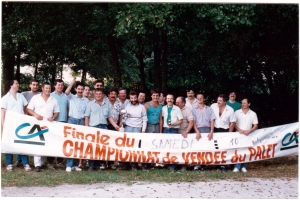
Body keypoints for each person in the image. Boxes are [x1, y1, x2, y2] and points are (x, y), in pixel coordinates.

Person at [26, 82, 60, 172]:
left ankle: (42, 163)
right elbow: (28, 109)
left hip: (48, 124)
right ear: (42, 88)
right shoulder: (35, 98)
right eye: (46, 88)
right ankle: (37, 164)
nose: (48, 90)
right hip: (37, 123)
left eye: (49, 88)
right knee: (38, 143)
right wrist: (35, 114)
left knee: (46, 143)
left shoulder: (54, 99)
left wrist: (53, 117)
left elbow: (57, 111)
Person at [84, 88, 120, 171]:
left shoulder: (107, 104)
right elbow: (87, 116)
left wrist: (115, 125)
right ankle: (91, 165)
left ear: (103, 95)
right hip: (93, 127)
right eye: (96, 94)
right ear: (94, 95)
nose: (98, 95)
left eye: (100, 94)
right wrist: (86, 128)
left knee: (101, 148)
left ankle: (100, 165)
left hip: (104, 127)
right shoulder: (90, 104)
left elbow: (109, 116)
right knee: (92, 147)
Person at [1, 79, 32, 172]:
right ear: (11, 85)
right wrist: (4, 126)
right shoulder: (5, 98)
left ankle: (25, 164)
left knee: (22, 143)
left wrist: (25, 117)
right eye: (16, 83)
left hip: (21, 124)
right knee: (9, 144)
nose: (18, 84)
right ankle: (9, 163)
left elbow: (26, 108)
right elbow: (2, 113)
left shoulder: (21, 96)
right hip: (9, 124)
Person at [64, 78, 90, 172]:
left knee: (78, 144)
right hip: (72, 120)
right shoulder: (72, 97)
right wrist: (72, 82)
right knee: (71, 143)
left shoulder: (86, 100)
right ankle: (69, 165)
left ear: (83, 90)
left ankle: (75, 165)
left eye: (81, 89)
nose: (80, 91)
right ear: (76, 89)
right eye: (78, 89)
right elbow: (67, 91)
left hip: (81, 121)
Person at [14, 78, 40, 167]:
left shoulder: (40, 95)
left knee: (35, 140)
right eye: (33, 84)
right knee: (22, 139)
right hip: (25, 120)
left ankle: (36, 161)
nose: (35, 86)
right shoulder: (24, 94)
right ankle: (19, 159)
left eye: (36, 85)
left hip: (36, 121)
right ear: (30, 85)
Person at [121, 91, 147, 170]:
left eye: (135, 98)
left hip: (137, 128)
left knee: (136, 147)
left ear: (137, 98)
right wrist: (123, 124)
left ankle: (134, 165)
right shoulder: (127, 107)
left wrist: (143, 130)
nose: (133, 100)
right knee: (127, 146)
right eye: (131, 98)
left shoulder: (142, 107)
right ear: (130, 98)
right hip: (128, 128)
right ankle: (126, 164)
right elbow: (124, 117)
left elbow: (145, 119)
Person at [210, 94, 235, 172]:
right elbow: (210, 119)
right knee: (215, 147)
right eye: (217, 100)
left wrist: (229, 134)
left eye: (220, 101)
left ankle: (223, 165)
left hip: (225, 130)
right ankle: (216, 165)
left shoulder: (230, 110)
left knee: (223, 148)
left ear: (225, 102)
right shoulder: (213, 106)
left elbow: (232, 123)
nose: (218, 102)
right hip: (215, 129)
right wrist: (211, 130)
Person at [233, 98, 258, 173]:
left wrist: (250, 130)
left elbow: (255, 125)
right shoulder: (237, 112)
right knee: (238, 151)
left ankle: (243, 166)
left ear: (249, 104)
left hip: (248, 135)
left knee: (245, 151)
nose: (243, 104)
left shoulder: (253, 113)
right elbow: (233, 123)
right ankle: (237, 167)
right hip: (238, 134)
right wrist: (239, 129)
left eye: (244, 103)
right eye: (242, 103)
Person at [192, 92, 216, 171]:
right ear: (196, 99)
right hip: (198, 129)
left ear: (204, 99)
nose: (199, 99)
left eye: (201, 97)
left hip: (207, 129)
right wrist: (197, 132)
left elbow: (212, 120)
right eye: (198, 98)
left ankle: (203, 165)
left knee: (206, 147)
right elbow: (193, 122)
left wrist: (211, 131)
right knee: (197, 147)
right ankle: (196, 164)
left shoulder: (209, 109)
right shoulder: (194, 110)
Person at [160, 94, 183, 171]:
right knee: (166, 148)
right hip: (166, 129)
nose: (169, 100)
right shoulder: (163, 108)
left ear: (173, 100)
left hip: (174, 130)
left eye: (171, 99)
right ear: (166, 100)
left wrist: (174, 124)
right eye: (168, 98)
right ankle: (167, 163)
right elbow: (162, 119)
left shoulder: (177, 109)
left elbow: (181, 120)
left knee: (174, 148)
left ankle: (172, 166)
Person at [50, 79, 69, 168]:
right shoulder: (50, 95)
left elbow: (68, 108)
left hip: (64, 121)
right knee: (52, 141)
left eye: (62, 85)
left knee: (62, 142)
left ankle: (59, 161)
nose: (60, 87)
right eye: (58, 85)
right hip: (53, 121)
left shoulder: (66, 96)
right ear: (55, 86)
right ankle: (50, 161)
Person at [175, 96, 194, 171]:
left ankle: (184, 166)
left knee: (183, 150)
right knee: (175, 150)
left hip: (183, 133)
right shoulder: (174, 109)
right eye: (176, 102)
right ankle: (175, 165)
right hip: (174, 132)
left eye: (178, 102)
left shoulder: (187, 111)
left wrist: (186, 131)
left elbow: (191, 122)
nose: (176, 103)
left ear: (183, 103)